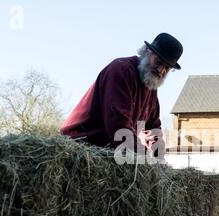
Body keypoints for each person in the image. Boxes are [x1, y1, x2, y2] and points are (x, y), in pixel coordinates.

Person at [60, 33, 183, 161]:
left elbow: (154, 129)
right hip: (80, 145)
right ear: (147, 52)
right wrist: (144, 159)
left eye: (167, 68)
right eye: (158, 62)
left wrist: (160, 160)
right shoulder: (121, 71)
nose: (161, 70)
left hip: (105, 150)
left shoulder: (151, 86)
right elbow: (118, 123)